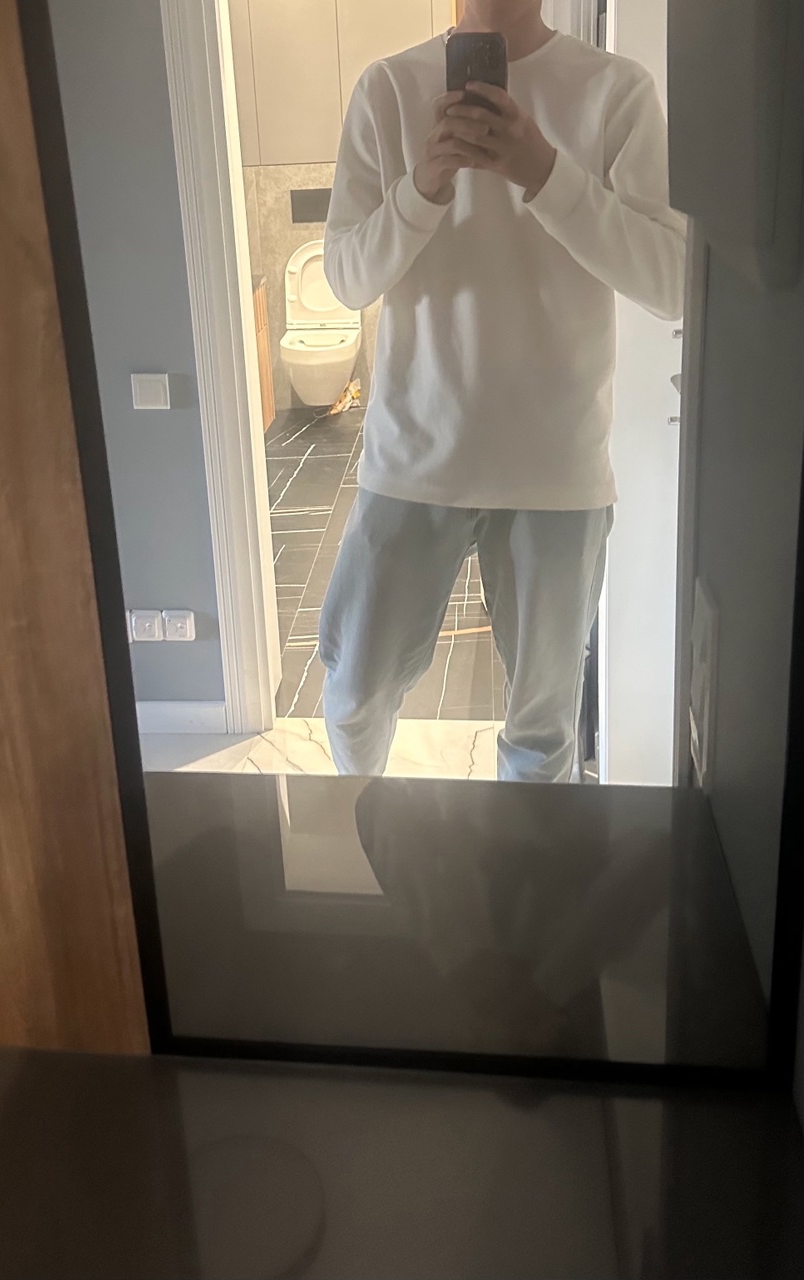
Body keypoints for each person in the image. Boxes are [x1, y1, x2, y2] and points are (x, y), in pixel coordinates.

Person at [319, 0, 686, 782]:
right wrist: (423, 186)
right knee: (353, 695)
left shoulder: (616, 92)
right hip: (414, 454)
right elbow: (347, 280)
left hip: (556, 465)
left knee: (542, 737)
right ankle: (361, 841)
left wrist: (545, 173)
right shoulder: (389, 89)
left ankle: (525, 867)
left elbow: (673, 280)